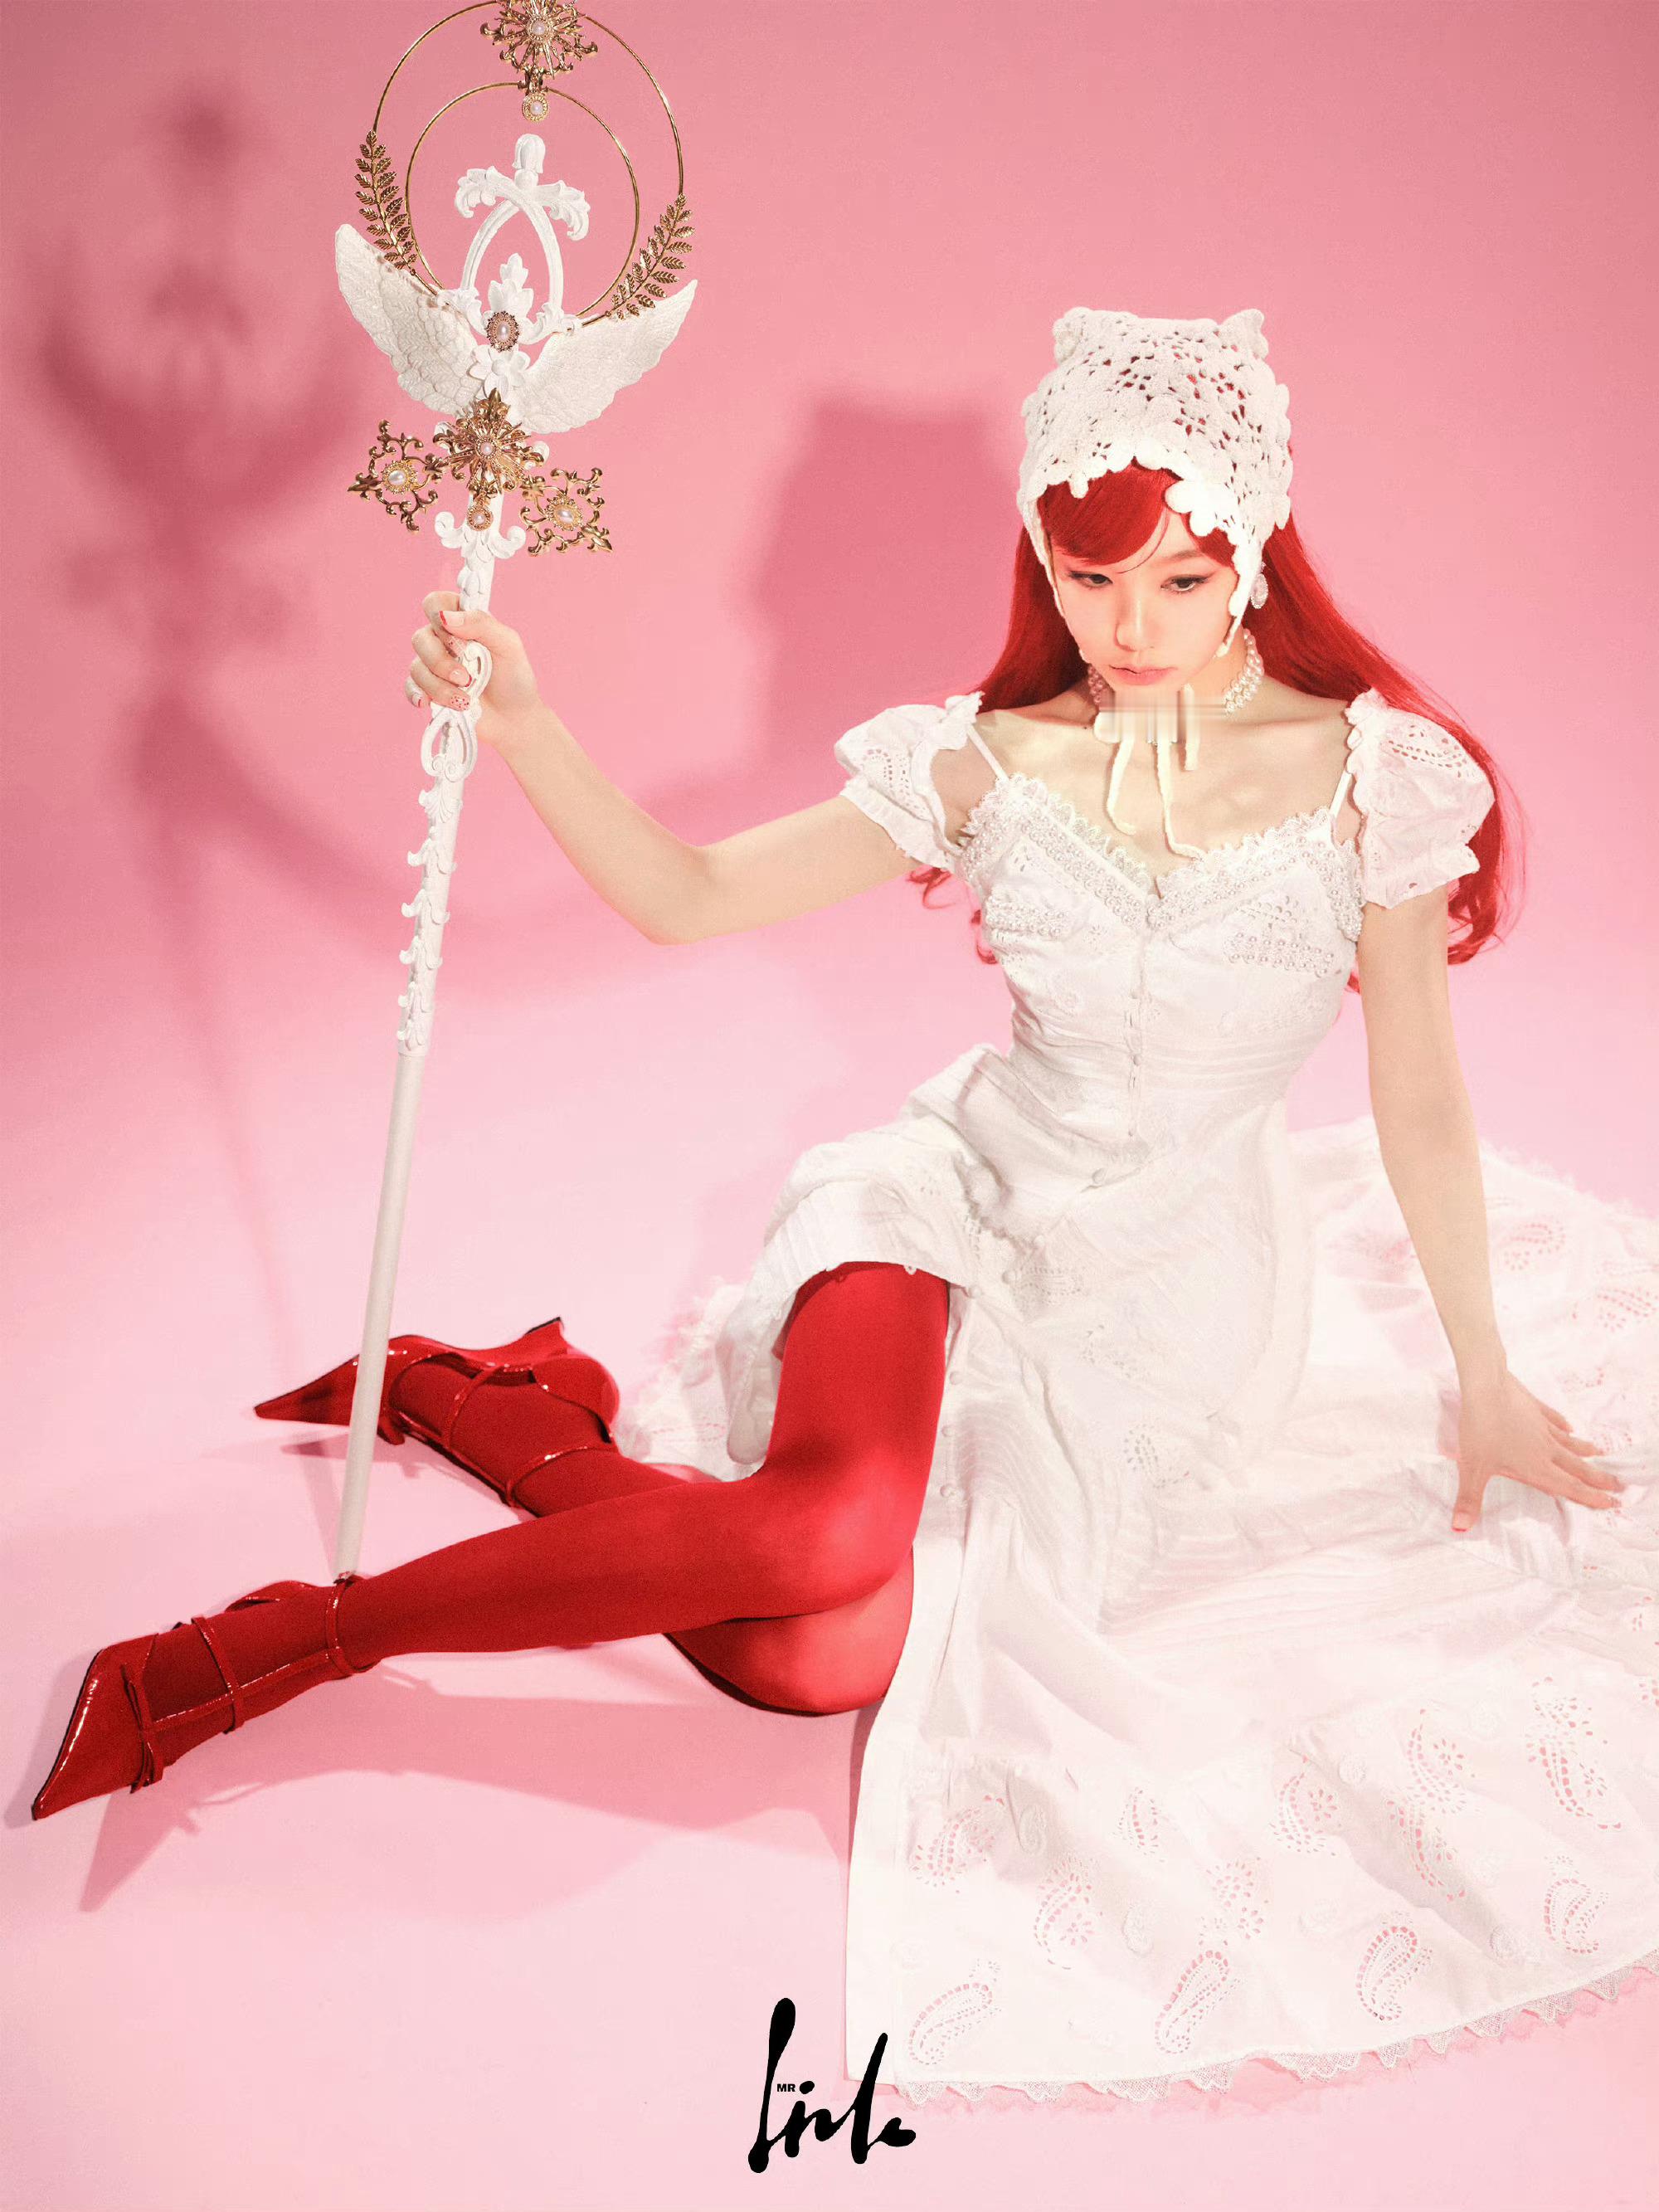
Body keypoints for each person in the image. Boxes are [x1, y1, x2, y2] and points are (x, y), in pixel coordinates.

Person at [32, 307, 1657, 2111]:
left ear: (1255, 552)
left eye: (1182, 582)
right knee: (830, 1531)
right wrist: (527, 721)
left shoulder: (1373, 781)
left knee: (820, 1656)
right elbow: (685, 893)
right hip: (945, 1209)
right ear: (1042, 557)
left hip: (1174, 1318)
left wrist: (1484, 1371)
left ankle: (502, 1414)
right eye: (1091, 578)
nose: (1132, 627)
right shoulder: (986, 764)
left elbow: (1417, 1095)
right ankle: (272, 1646)